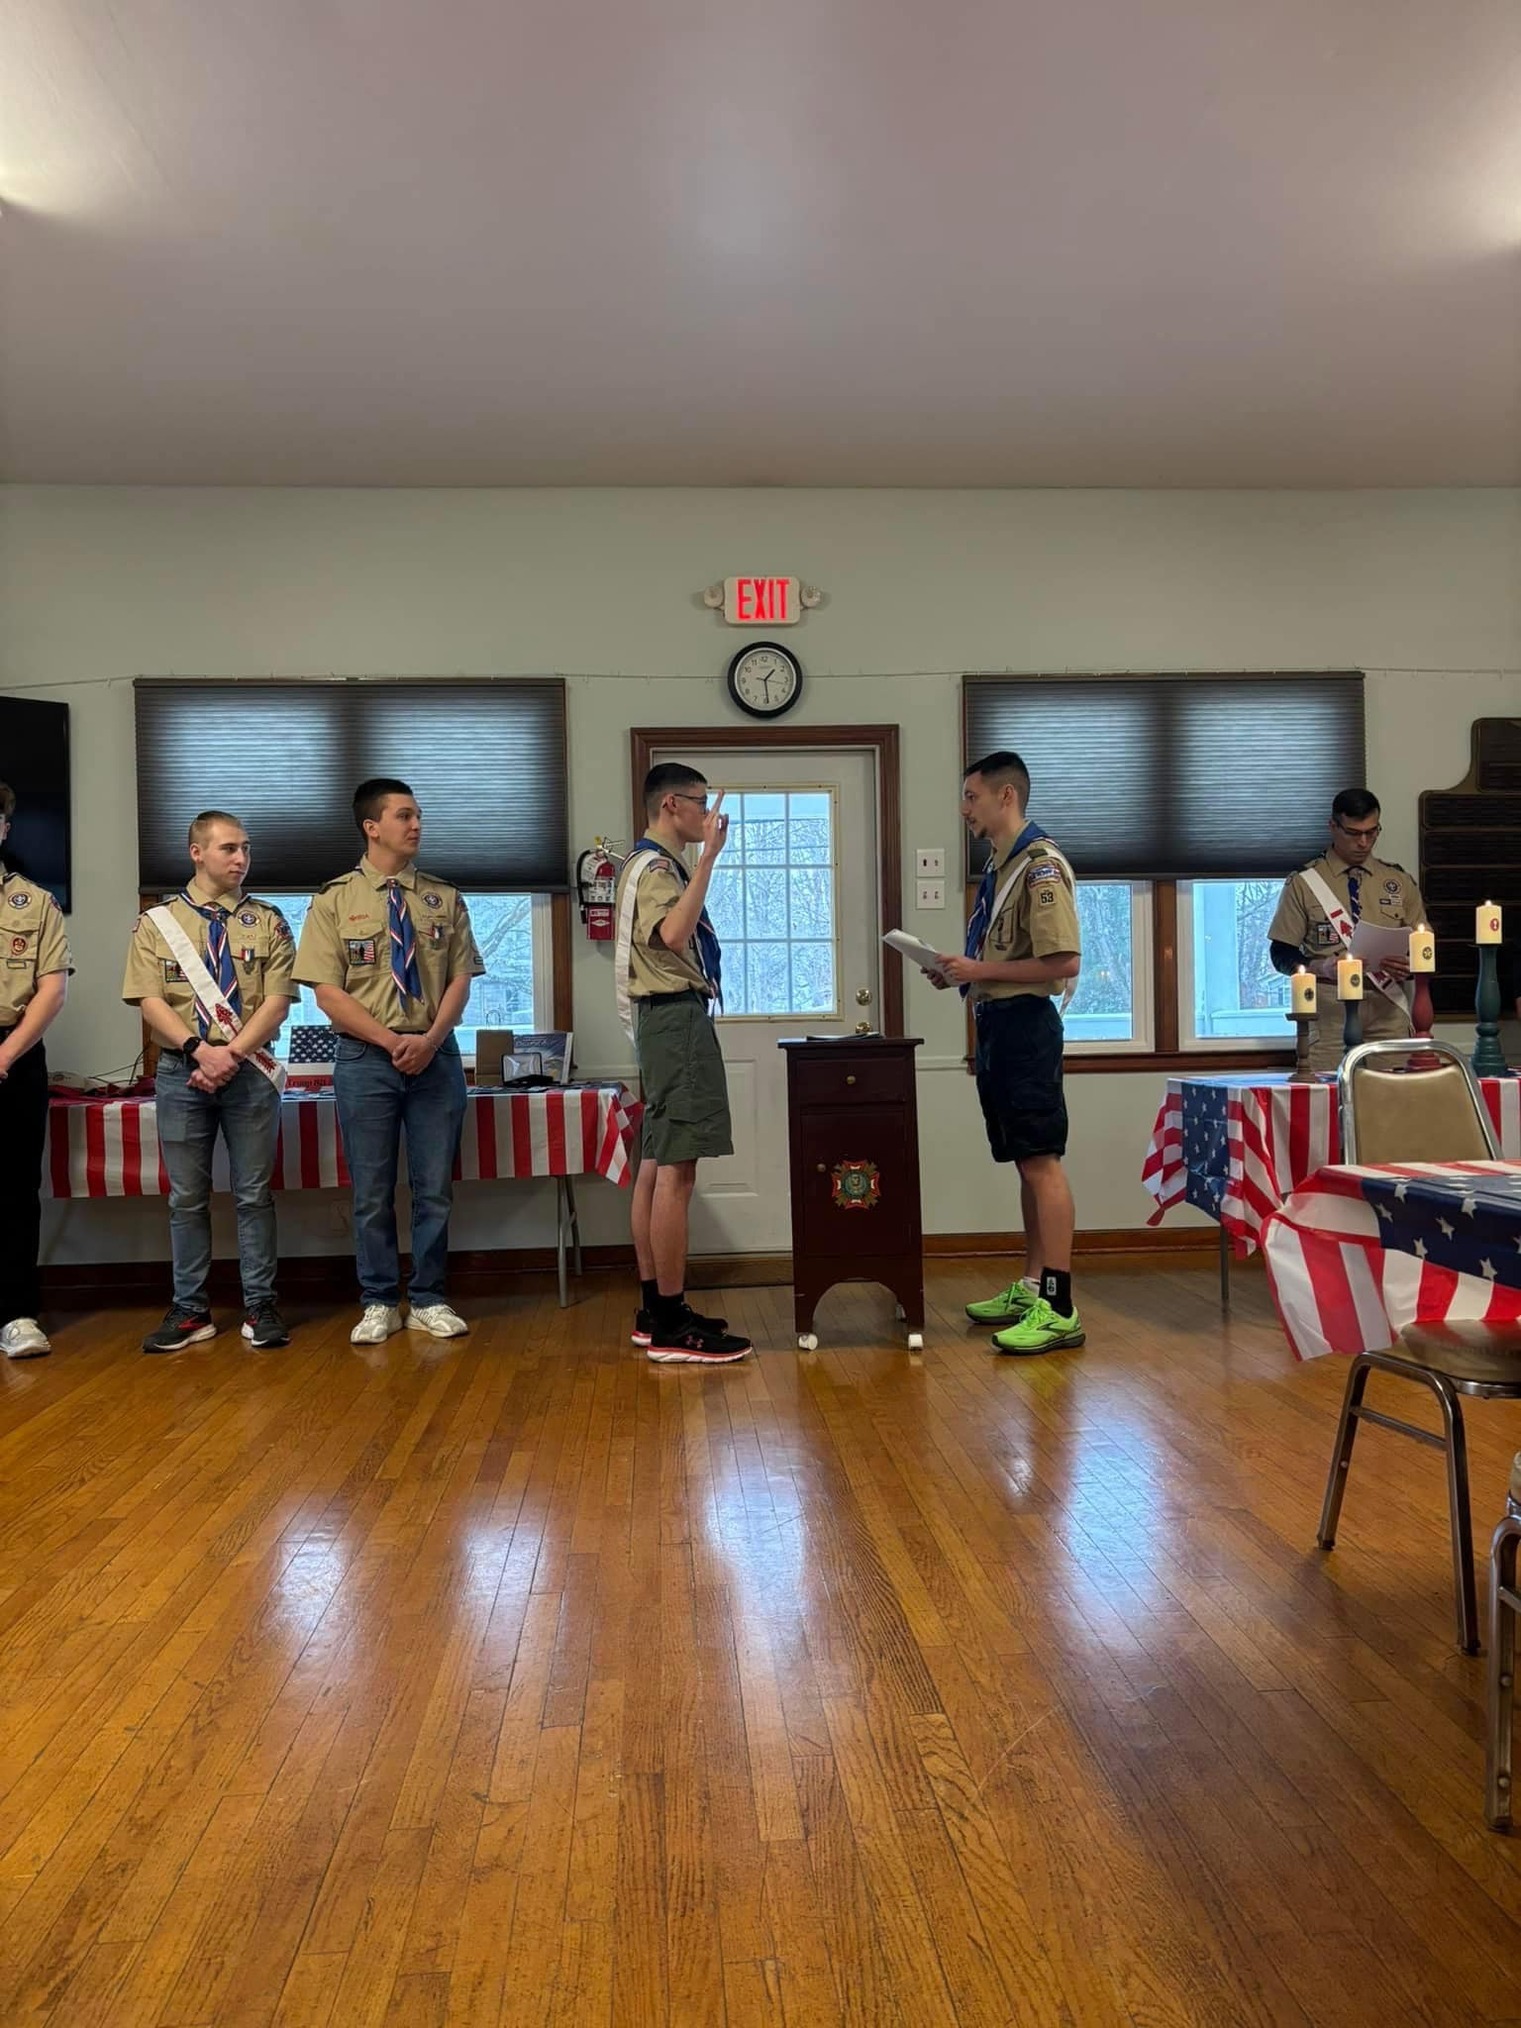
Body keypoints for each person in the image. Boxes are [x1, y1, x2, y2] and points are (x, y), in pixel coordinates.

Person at [293, 778, 482, 1345]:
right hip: (365, 1059)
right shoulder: (333, 900)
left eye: (419, 815)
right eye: (404, 816)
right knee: (371, 1189)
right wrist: (390, 1041)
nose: (416, 825)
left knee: (433, 1188)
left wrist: (426, 1040)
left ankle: (428, 1297)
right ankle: (378, 1299)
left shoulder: (443, 898)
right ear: (372, 827)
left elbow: (460, 979)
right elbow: (327, 993)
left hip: (435, 1054)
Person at [122, 811, 295, 1352]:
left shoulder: (268, 920)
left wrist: (231, 1054)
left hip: (248, 1073)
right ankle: (192, 1311)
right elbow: (149, 999)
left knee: (253, 1195)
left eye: (245, 848)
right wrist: (200, 1050)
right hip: (181, 1072)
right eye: (227, 849)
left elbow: (278, 1002)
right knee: (187, 1199)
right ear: (196, 852)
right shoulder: (158, 923)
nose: (240, 858)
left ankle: (260, 1305)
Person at [932, 750, 1085, 1355]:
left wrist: (981, 968)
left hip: (1026, 1025)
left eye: (971, 797)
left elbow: (1063, 963)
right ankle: (1031, 1285)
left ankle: (1060, 1304)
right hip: (996, 1020)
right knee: (1025, 1158)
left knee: (1042, 1160)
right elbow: (1001, 959)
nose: (964, 809)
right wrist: (961, 973)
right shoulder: (1003, 865)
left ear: (1005, 798)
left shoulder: (1041, 867)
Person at [614, 763, 752, 1364]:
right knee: (676, 1171)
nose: (709, 815)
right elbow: (674, 934)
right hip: (674, 1019)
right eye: (700, 803)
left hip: (661, 1022)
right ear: (671, 805)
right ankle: (672, 1324)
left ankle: (657, 1308)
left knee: (654, 1164)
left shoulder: (650, 865)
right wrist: (711, 860)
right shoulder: (657, 867)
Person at [1268, 789, 1424, 1076]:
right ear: (1333, 827)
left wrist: (1410, 966)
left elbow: (1423, 948)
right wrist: (1320, 966)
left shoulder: (1398, 881)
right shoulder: (1304, 882)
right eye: (1353, 833)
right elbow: (1280, 953)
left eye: (1371, 832)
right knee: (1327, 1101)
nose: (1363, 842)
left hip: (1387, 1007)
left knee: (1395, 1101)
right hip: (1331, 1010)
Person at [0, 781, 72, 1359]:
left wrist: (6, 1054)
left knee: (15, 1190)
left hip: (15, 1055)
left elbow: (51, 990)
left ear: (4, 829)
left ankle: (17, 1314)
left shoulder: (35, 902)